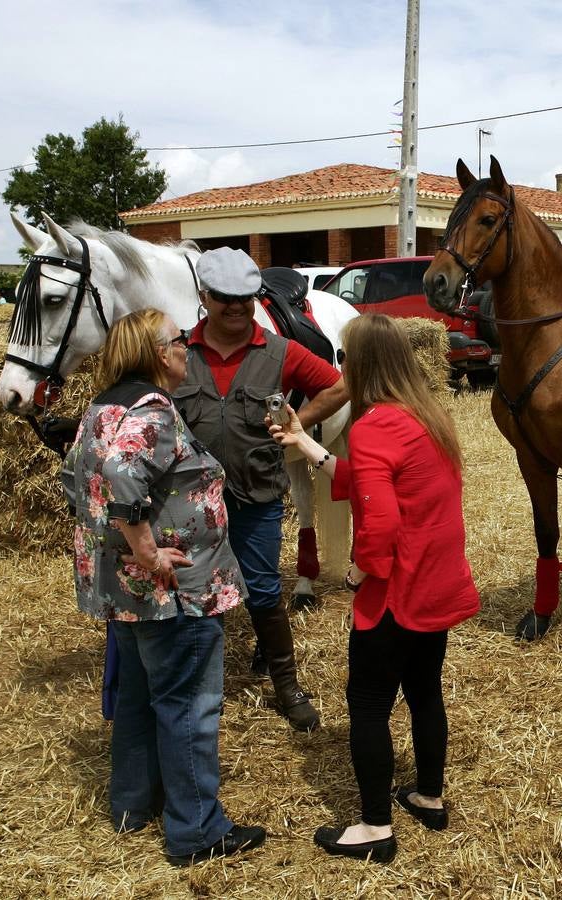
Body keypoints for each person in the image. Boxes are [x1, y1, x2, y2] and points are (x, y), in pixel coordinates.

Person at [270, 314, 480, 865]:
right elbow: (368, 479)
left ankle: (374, 828)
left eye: (344, 358)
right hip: (434, 585)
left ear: (362, 364)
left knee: (366, 704)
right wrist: (304, 442)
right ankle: (429, 797)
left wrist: (361, 571)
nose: (341, 368)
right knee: (425, 690)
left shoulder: (374, 426)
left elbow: (380, 521)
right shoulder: (427, 416)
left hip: (396, 590)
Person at [61, 308, 266, 867]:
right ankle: (196, 831)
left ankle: (133, 805)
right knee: (188, 703)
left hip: (126, 591)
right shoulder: (151, 409)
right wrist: (147, 551)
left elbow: (76, 481)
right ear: (158, 353)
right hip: (176, 591)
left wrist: (118, 548)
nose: (187, 349)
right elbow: (122, 474)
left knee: (137, 696)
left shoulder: (103, 407)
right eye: (180, 340)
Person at [173, 247, 348, 732]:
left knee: (265, 590)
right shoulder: (178, 352)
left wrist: (299, 423)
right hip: (192, 503)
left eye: (245, 298)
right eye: (224, 297)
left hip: (257, 494)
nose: (235, 306)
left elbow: (339, 386)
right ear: (204, 297)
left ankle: (286, 686)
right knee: (196, 591)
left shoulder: (280, 350)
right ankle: (200, 687)